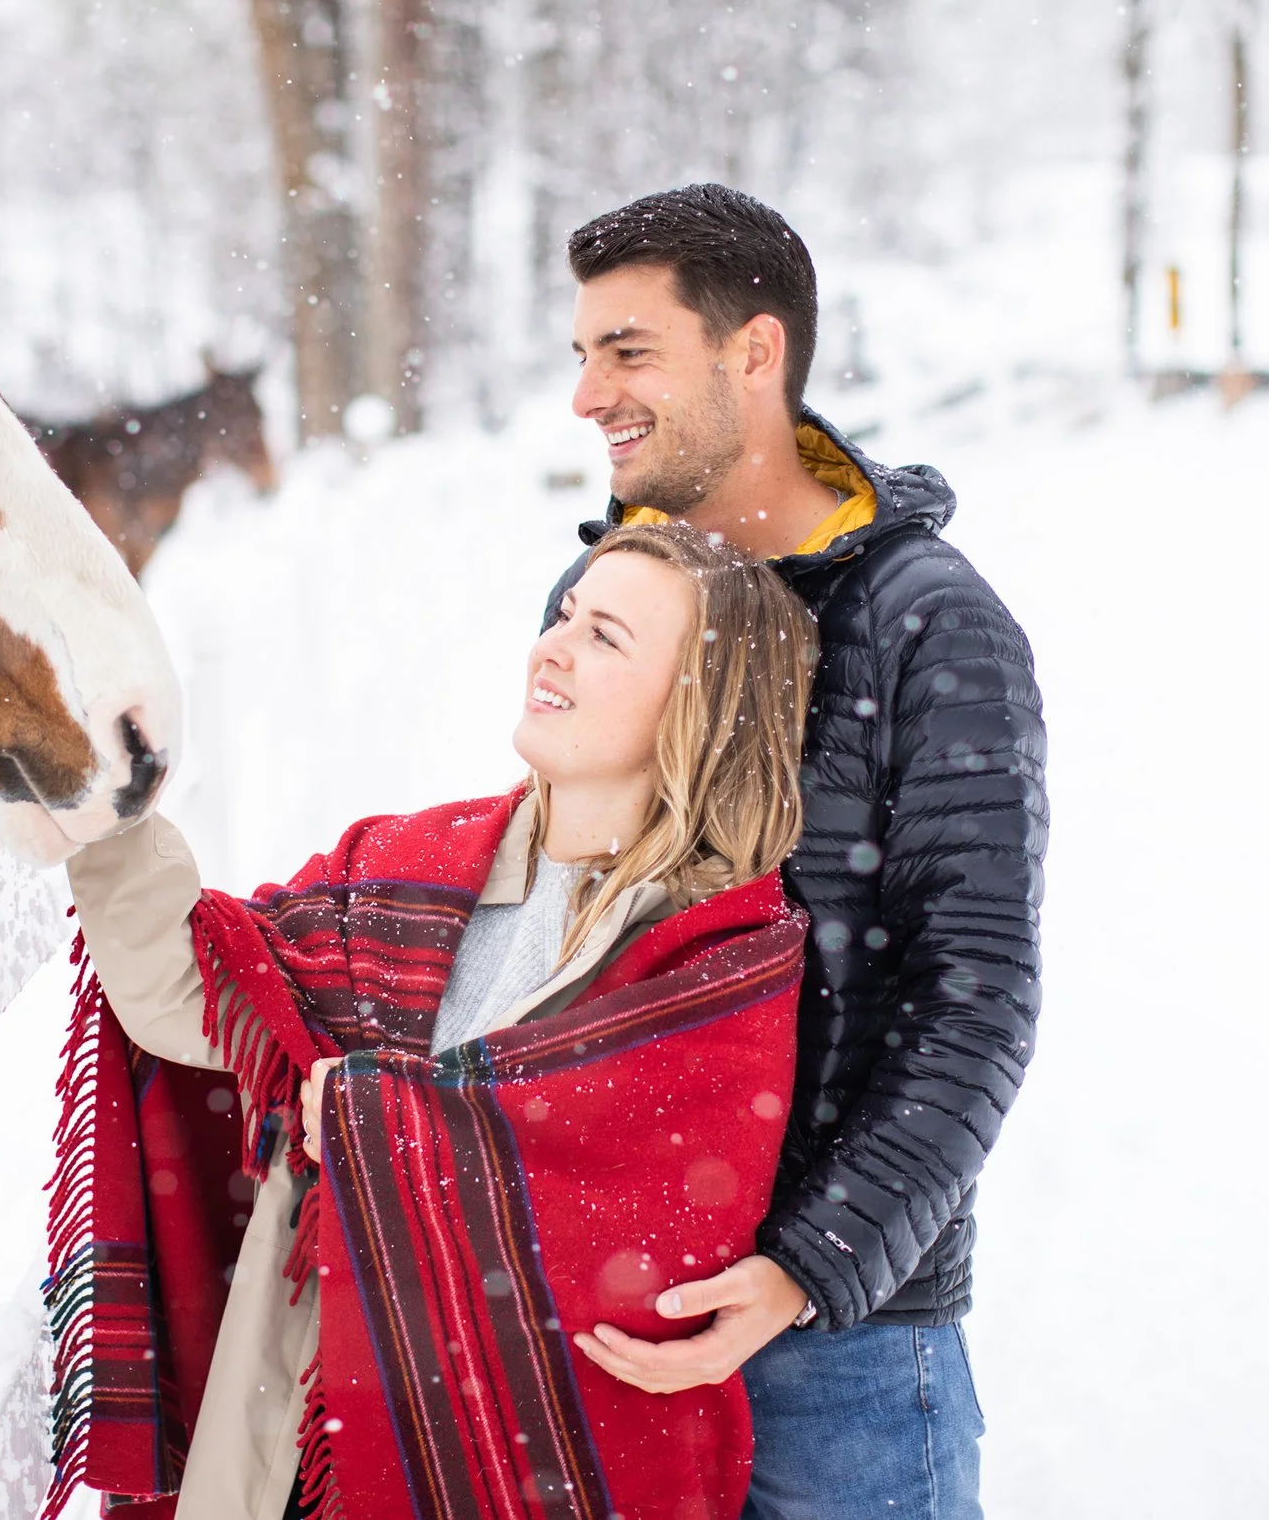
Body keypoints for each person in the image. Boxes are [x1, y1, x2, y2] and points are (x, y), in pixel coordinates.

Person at [48, 523, 822, 1520]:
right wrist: (95, 790)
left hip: (529, 1468)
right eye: (565, 615)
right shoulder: (406, 866)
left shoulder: (719, 961)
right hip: (300, 1446)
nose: (552, 646)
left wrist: (367, 1115)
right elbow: (198, 989)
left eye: (605, 636)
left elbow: (623, 1239)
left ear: (702, 705)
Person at [548, 184, 1048, 1520]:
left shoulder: (928, 624)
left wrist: (806, 1265)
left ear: (754, 353)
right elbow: (547, 915)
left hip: (844, 1352)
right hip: (611, 1313)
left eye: (627, 351)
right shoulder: (601, 602)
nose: (587, 395)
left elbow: (976, 993)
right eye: (582, 355)